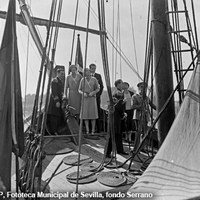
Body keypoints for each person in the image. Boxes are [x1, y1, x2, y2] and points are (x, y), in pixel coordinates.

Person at [106, 79, 128, 158]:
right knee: (113, 134)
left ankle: (120, 150)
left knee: (118, 134)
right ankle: (107, 152)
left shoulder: (119, 93)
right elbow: (117, 106)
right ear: (118, 84)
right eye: (122, 83)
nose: (123, 85)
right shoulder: (117, 93)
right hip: (115, 117)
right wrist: (123, 114)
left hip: (117, 117)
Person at [132, 82, 156, 149]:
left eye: (144, 87)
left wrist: (160, 109)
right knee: (139, 132)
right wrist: (140, 106)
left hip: (146, 117)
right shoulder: (135, 96)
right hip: (138, 116)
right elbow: (133, 106)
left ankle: (142, 147)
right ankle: (136, 148)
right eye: (141, 87)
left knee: (145, 133)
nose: (143, 89)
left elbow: (152, 105)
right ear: (139, 88)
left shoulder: (147, 97)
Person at [78, 68, 100, 134]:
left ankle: (93, 131)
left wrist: (93, 92)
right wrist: (83, 93)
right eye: (85, 72)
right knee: (85, 115)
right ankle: (87, 130)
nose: (87, 73)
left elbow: (98, 88)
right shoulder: (82, 80)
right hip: (85, 98)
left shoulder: (94, 79)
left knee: (93, 115)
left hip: (92, 98)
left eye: (88, 72)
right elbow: (79, 89)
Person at [47, 67, 65, 135]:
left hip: (60, 100)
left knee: (58, 116)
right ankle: (53, 131)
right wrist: (57, 101)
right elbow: (54, 92)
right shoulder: (54, 81)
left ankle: (57, 130)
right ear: (57, 73)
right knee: (54, 116)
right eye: (61, 74)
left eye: (63, 74)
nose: (62, 75)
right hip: (54, 102)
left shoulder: (61, 81)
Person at [89, 63, 104, 132]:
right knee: (89, 112)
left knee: (97, 112)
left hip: (96, 97)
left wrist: (98, 95)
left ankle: (98, 129)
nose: (93, 70)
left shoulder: (98, 76)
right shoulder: (86, 76)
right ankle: (89, 129)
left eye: (94, 68)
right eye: (92, 68)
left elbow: (101, 87)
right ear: (90, 68)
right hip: (89, 97)